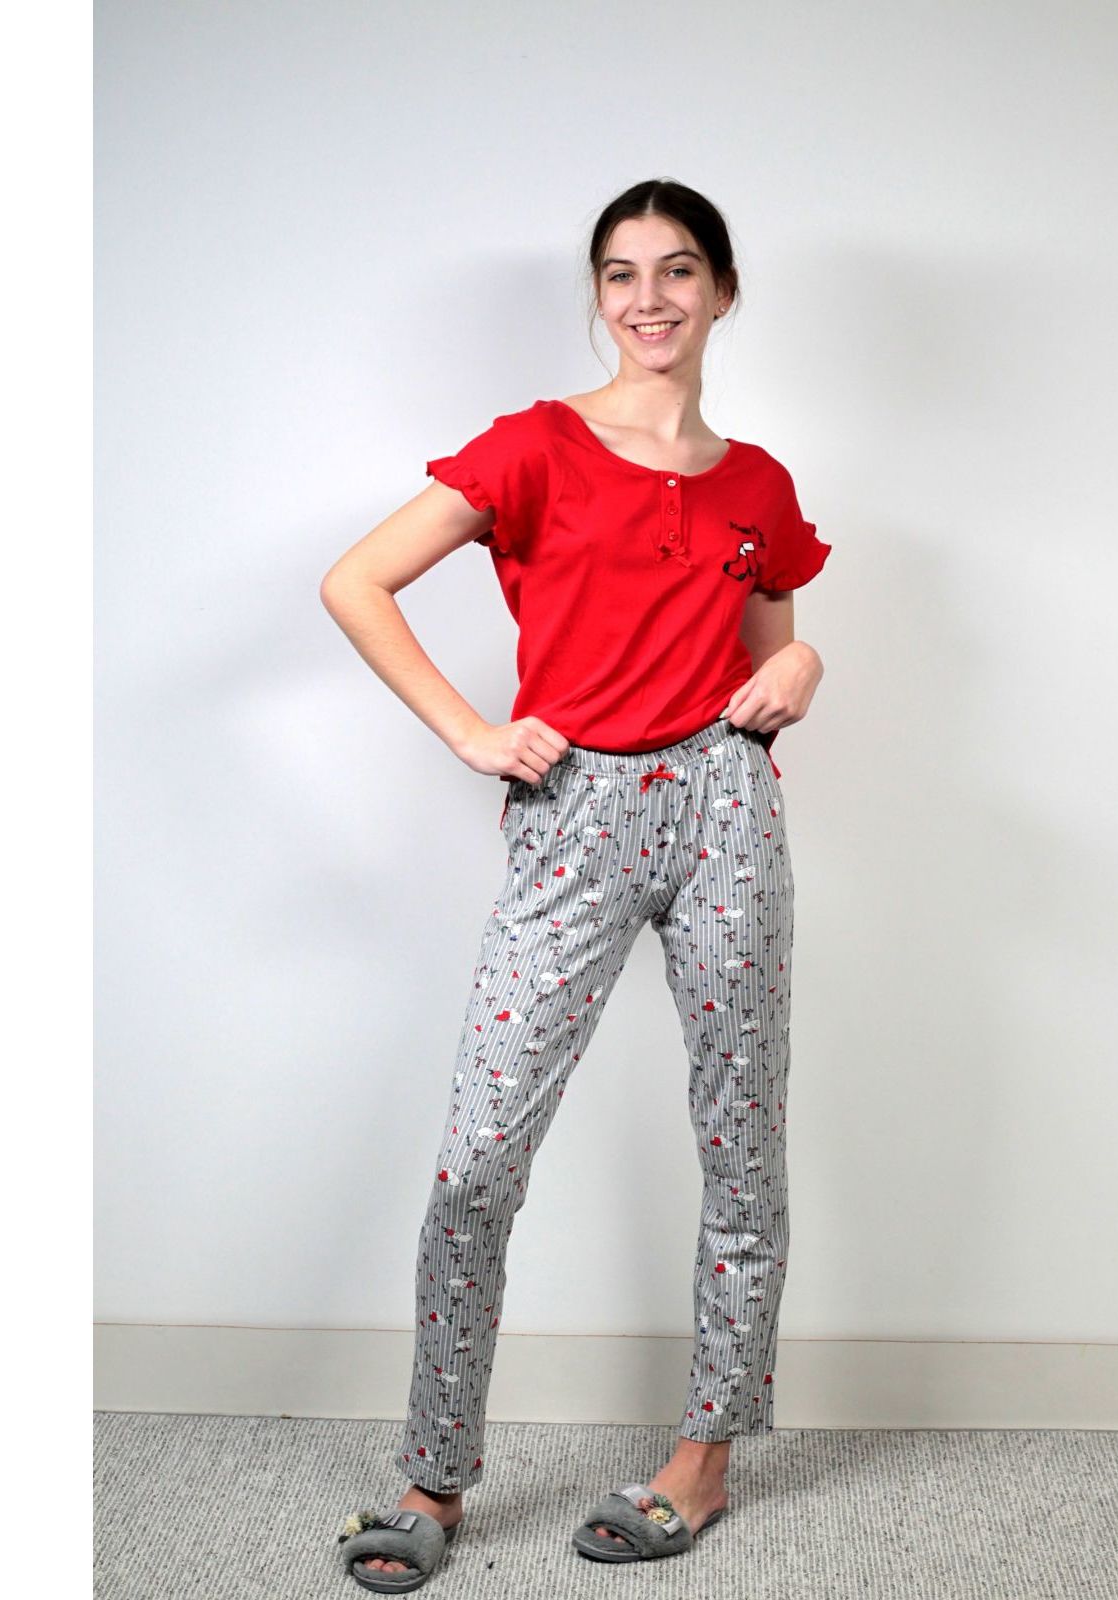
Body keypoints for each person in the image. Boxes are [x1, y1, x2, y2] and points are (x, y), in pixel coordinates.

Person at [320, 177, 831, 1592]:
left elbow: (770, 650)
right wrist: (473, 733)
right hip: (576, 810)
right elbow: (357, 580)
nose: (648, 298)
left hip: (725, 809)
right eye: (621, 273)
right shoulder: (534, 446)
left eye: (678, 270)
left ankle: (704, 1460)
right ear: (599, 295)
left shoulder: (758, 483)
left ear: (722, 290)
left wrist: (801, 663)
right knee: (478, 1158)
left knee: (741, 1143)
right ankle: (433, 1474)